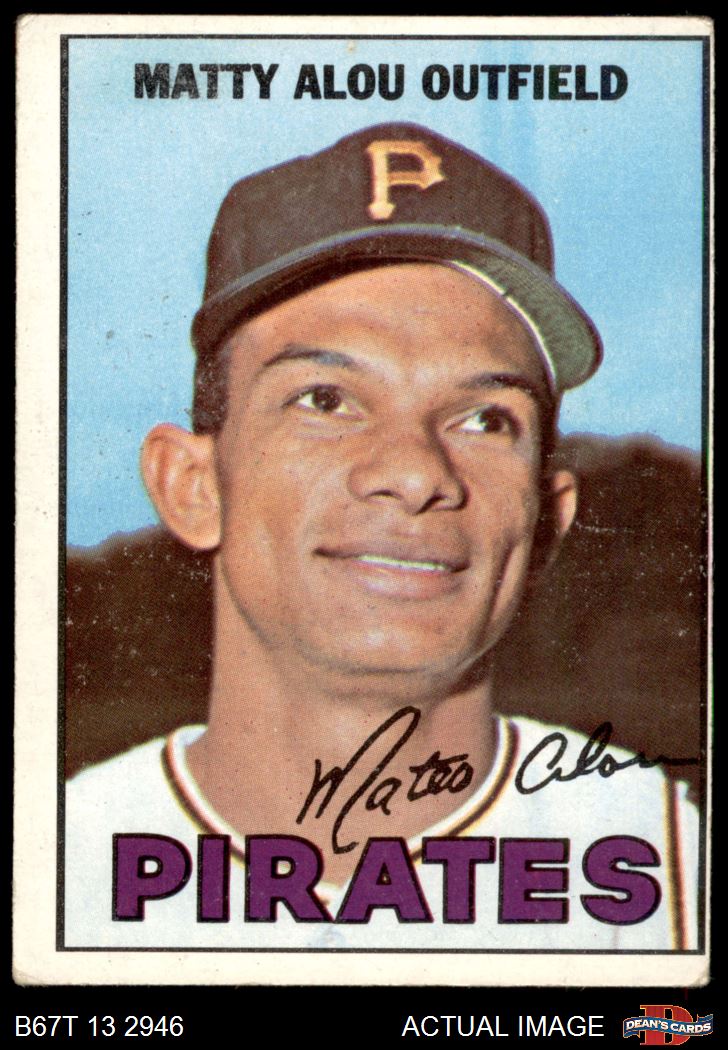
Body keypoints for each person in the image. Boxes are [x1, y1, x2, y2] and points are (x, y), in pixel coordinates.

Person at [65, 123, 698, 951]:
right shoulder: (61, 869)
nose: (415, 471)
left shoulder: (662, 862)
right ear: (194, 485)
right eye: (325, 400)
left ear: (547, 523)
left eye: (485, 418)